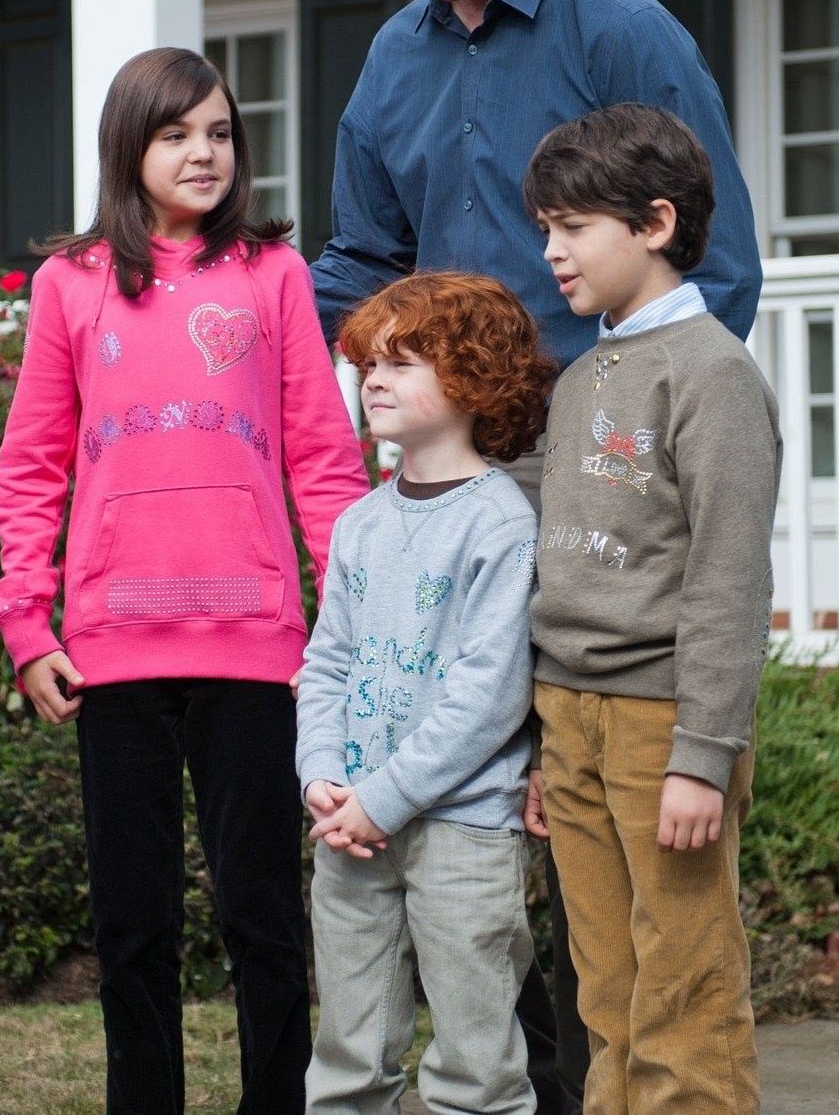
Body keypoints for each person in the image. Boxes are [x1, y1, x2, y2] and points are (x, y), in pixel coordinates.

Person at [307, 0, 767, 1109]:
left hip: (598, 479)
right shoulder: (392, 58)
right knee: (481, 810)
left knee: (596, 813)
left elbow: (719, 270)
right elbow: (363, 261)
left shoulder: (626, 35)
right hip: (450, 476)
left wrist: (621, 434)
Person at [0, 47, 368, 1114]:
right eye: (175, 133)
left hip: (256, 646)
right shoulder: (69, 282)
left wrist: (335, 634)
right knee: (133, 920)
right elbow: (30, 463)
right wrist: (27, 621)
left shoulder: (271, 274)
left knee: (261, 913)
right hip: (111, 653)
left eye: (217, 132)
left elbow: (322, 459)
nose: (202, 152)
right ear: (129, 146)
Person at [522, 104, 780, 1113]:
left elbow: (727, 576)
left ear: (654, 224)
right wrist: (541, 745)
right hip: (569, 716)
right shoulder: (583, 374)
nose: (549, 250)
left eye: (571, 227)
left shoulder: (712, 374)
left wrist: (700, 753)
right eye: (543, 227)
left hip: (660, 723)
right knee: (606, 992)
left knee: (684, 990)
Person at [297, 271, 553, 1115]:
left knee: (477, 1068)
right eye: (371, 361)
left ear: (475, 378)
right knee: (347, 1057)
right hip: (351, 832)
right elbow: (327, 662)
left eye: (404, 361)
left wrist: (386, 796)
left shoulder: (502, 524)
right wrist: (321, 775)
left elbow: (489, 695)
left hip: (462, 832)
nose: (375, 378)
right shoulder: (361, 523)